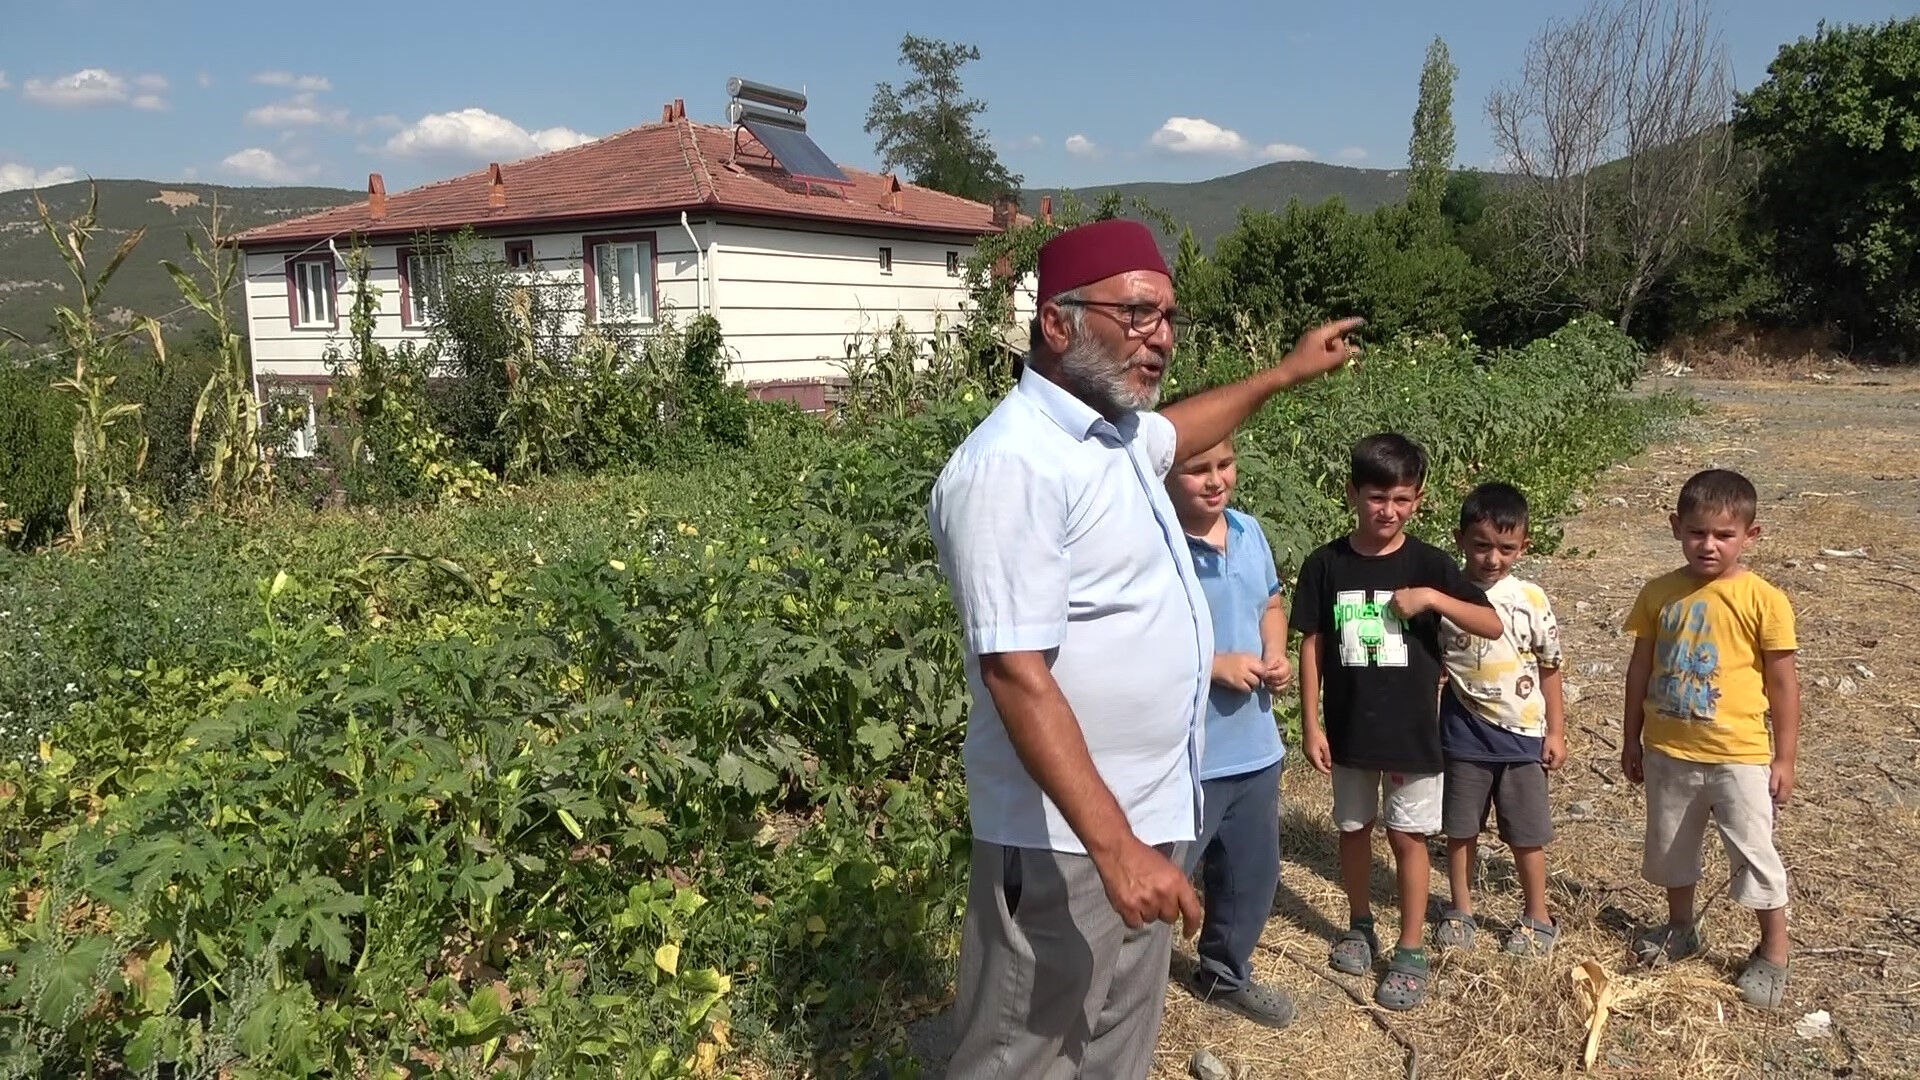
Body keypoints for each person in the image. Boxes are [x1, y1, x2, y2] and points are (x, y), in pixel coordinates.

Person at [927, 217, 1361, 1078]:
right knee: (1026, 1052)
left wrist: (1284, 372)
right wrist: (1114, 848)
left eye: (1168, 318)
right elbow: (1016, 674)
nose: (1159, 338)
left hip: (1150, 817)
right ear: (1057, 322)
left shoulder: (1117, 435)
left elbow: (1186, 427)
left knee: (1115, 1046)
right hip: (1067, 840)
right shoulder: (1014, 465)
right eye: (1135, 314)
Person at [1289, 433, 1502, 1012]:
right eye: (1377, 497)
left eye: (1403, 500)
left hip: (1412, 738)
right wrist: (1312, 723)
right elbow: (1311, 645)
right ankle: (1359, 924)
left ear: (1420, 499)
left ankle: (1410, 950)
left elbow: (1490, 624)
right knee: (1354, 828)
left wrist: (1432, 597)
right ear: (1353, 492)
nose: (1389, 511)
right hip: (1350, 732)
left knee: (1408, 838)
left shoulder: (1429, 565)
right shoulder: (1326, 564)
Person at [1621, 468, 1800, 1009]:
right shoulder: (1659, 594)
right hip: (1669, 752)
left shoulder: (1764, 600)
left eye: (1724, 535)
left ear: (1751, 535)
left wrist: (1784, 757)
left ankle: (1773, 951)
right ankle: (1681, 928)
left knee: (1752, 852)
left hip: (1739, 756)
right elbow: (1639, 668)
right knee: (1672, 847)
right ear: (1676, 527)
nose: (1709, 544)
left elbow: (1784, 682)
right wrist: (1631, 738)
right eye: (1697, 531)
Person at [1165, 434, 1297, 1029]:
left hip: (1254, 744)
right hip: (1187, 755)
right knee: (1164, 879)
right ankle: (1120, 992)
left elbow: (1270, 601)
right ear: (1164, 475)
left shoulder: (1248, 531)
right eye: (1198, 470)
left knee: (1251, 874)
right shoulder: (1155, 545)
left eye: (1225, 464)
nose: (1216, 480)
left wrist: (1277, 650)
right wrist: (1213, 665)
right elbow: (1133, 643)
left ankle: (1223, 973)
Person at [1432, 482, 1568, 958]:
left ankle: (1538, 917)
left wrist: (1555, 731)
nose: (1493, 558)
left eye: (1506, 548)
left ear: (1524, 546)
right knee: (1460, 828)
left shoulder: (1529, 597)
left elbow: (1550, 666)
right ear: (1460, 539)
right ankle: (1461, 910)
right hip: (1462, 733)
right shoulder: (1448, 596)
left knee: (1527, 834)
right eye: (1482, 545)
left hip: (1521, 737)